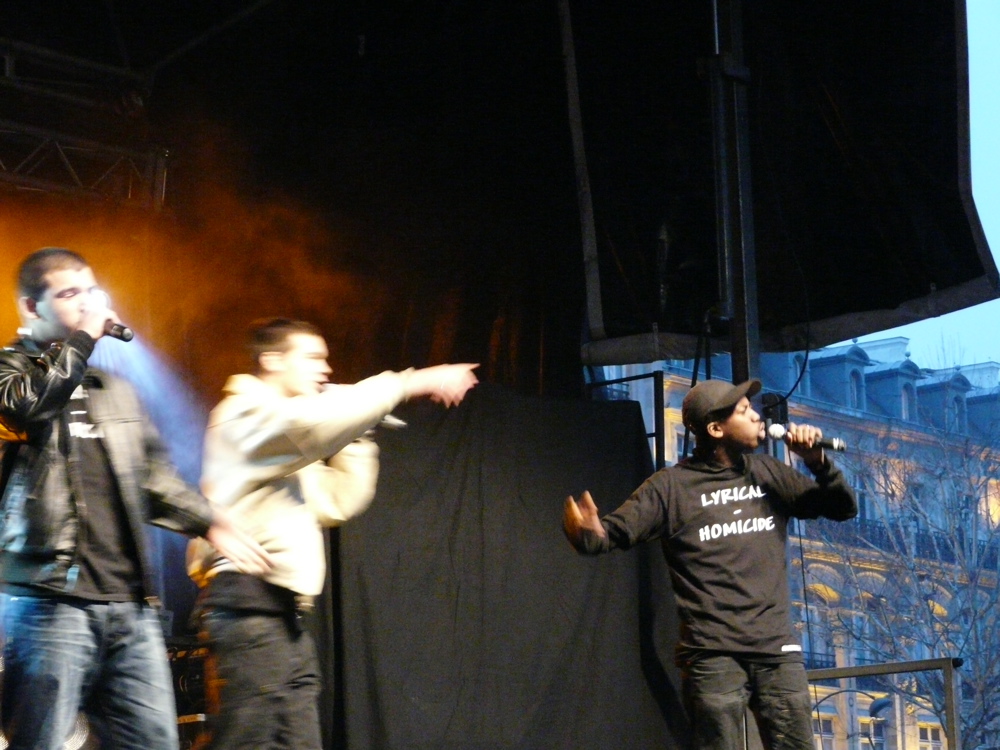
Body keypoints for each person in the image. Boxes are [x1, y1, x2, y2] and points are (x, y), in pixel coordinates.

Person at [0, 247, 273, 750]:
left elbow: (152, 478)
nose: (86, 303)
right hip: (48, 604)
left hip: (130, 609)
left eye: (90, 290)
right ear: (30, 307)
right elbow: (27, 408)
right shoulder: (9, 372)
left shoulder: (115, 388)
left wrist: (209, 521)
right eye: (69, 293)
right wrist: (84, 338)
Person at [186, 317, 479, 750]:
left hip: (282, 616)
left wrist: (357, 434)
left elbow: (335, 501)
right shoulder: (243, 415)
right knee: (246, 742)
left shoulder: (285, 443)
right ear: (272, 360)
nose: (325, 369)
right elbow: (311, 427)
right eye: (311, 358)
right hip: (247, 610)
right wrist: (409, 383)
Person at [563, 378, 857, 750]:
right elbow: (611, 534)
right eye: (744, 411)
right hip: (712, 654)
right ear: (716, 429)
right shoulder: (671, 488)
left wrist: (817, 462)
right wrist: (587, 532)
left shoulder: (767, 473)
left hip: (775, 650)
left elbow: (843, 508)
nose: (756, 416)